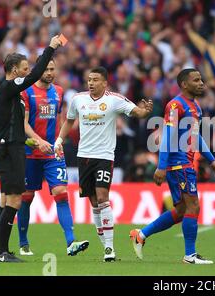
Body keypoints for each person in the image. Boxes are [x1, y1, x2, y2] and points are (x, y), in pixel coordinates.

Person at [54, 66, 153, 262]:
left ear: (104, 83)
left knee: (102, 196)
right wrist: (59, 139)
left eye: (95, 80)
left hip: (104, 156)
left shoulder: (114, 99)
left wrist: (145, 112)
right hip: (84, 157)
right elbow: (69, 121)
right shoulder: (78, 100)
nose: (91, 83)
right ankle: (104, 246)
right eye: (89, 79)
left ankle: (109, 248)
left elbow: (136, 112)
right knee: (93, 202)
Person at [129, 68, 215, 264]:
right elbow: (168, 137)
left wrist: (212, 160)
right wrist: (161, 166)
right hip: (178, 163)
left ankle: (141, 235)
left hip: (185, 162)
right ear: (184, 84)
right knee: (193, 205)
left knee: (182, 210)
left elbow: (196, 138)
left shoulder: (195, 107)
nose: (201, 83)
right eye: (196, 80)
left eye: (201, 79)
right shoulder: (175, 105)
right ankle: (190, 255)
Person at [0, 35, 62, 263]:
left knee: (5, 201)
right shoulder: (8, 88)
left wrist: (34, 141)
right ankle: (2, 252)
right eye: (23, 69)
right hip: (11, 151)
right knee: (14, 201)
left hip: (12, 148)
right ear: (14, 70)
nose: (27, 72)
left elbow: (14, 127)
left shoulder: (12, 95)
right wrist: (50, 48)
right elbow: (34, 76)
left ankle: (2, 251)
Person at [17, 59, 89, 257]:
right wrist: (38, 140)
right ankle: (23, 243)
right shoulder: (27, 92)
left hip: (53, 152)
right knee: (26, 197)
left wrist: (57, 141)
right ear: (38, 70)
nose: (49, 72)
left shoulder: (58, 91)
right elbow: (24, 123)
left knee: (61, 193)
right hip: (31, 153)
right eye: (46, 69)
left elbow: (58, 119)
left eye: (52, 69)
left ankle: (70, 242)